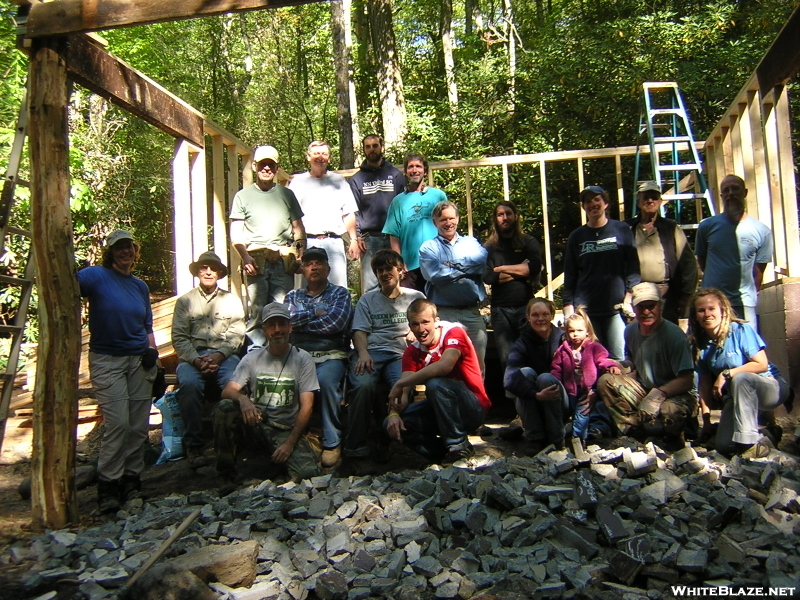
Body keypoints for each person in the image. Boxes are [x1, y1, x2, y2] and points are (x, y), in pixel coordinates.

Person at [78, 230, 157, 513]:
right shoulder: (95, 276)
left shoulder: (139, 286)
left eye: (129, 247)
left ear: (135, 251)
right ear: (110, 252)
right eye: (119, 248)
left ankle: (131, 480)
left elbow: (147, 325)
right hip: (107, 360)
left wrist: (153, 353)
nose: (125, 252)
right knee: (118, 424)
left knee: (138, 426)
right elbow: (66, 283)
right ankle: (108, 484)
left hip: (138, 361)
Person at [215, 303, 320, 484]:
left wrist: (290, 443)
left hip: (285, 429)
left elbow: (307, 406)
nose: (277, 330)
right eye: (271, 325)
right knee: (225, 408)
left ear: (290, 327)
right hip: (256, 424)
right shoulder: (252, 358)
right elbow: (228, 390)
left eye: (281, 324)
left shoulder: (303, 359)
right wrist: (243, 400)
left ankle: (270, 468)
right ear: (264, 330)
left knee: (307, 473)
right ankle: (226, 476)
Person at [344, 250, 424, 468]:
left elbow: (428, 323)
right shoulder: (367, 300)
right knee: (362, 386)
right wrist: (363, 353)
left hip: (403, 353)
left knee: (401, 388)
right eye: (379, 270)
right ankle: (355, 448)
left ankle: (385, 437)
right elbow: (359, 331)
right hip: (373, 352)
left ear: (400, 271)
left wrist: (414, 331)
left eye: (389, 268)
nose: (384, 273)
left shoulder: (415, 298)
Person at [386, 298, 490, 464]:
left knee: (435, 383)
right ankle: (446, 456)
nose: (421, 329)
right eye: (415, 324)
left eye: (425, 322)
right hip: (441, 410)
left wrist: (400, 383)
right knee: (394, 423)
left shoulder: (454, 332)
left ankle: (458, 445)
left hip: (472, 407)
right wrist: (393, 414)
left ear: (436, 321)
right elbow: (403, 392)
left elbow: (445, 366)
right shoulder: (412, 352)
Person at [688, 288, 790, 457]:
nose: (707, 314)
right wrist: (706, 420)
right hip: (736, 397)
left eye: (712, 308)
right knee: (724, 446)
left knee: (741, 378)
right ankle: (769, 434)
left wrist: (726, 373)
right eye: (701, 310)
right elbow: (704, 384)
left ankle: (748, 444)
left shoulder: (739, 330)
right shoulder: (700, 344)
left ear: (723, 310)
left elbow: (762, 364)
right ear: (695, 315)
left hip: (769, 387)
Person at [596, 282, 697, 448]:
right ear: (634, 309)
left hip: (675, 393)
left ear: (660, 306)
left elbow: (687, 380)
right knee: (606, 381)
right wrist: (621, 366)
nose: (646, 312)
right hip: (644, 388)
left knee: (670, 409)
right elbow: (632, 360)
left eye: (651, 306)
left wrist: (660, 393)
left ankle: (674, 439)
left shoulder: (674, 335)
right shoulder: (630, 331)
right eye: (641, 307)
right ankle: (634, 432)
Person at [171, 251, 245, 468]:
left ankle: (233, 440)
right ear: (197, 272)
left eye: (213, 268)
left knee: (234, 383)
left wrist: (219, 355)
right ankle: (194, 444)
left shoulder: (231, 300)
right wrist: (196, 360)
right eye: (204, 267)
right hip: (193, 358)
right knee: (189, 384)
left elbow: (238, 333)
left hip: (224, 356)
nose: (208, 271)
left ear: (220, 273)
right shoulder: (185, 301)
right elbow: (179, 337)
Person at [284, 247, 353, 470]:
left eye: (319, 263)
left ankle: (332, 442)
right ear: (303, 270)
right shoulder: (293, 295)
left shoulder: (340, 293)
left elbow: (336, 324)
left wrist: (301, 326)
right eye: (309, 264)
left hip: (331, 355)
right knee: (284, 383)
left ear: (328, 268)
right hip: (297, 356)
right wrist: (315, 313)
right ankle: (290, 438)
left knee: (326, 382)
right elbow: (287, 323)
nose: (314, 267)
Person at [229, 145, 305, 346]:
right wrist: (245, 257)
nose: (266, 169)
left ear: (276, 167)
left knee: (282, 309)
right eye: (262, 164)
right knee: (257, 310)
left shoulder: (286, 195)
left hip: (282, 259)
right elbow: (236, 233)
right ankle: (255, 352)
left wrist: (299, 255)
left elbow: (298, 228)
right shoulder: (242, 196)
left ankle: (282, 352)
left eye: (271, 165)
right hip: (256, 261)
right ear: (254, 166)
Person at [563, 185, 641, 360]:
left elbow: (633, 267)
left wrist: (629, 296)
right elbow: (570, 273)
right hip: (586, 311)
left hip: (616, 308)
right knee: (588, 360)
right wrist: (568, 306)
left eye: (596, 200)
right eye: (588, 201)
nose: (593, 204)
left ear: (605, 203)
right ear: (583, 207)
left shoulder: (621, 229)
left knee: (619, 358)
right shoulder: (577, 236)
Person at [419, 201, 488, 375]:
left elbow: (483, 263)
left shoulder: (471, 242)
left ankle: (477, 402)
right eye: (443, 219)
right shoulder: (428, 248)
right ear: (435, 222)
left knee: (477, 367)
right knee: (446, 366)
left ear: (458, 219)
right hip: (444, 314)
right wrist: (467, 268)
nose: (448, 223)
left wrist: (453, 265)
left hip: (472, 313)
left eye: (451, 218)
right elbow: (434, 276)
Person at [695, 174, 773, 323]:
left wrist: (749, 295)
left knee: (746, 345)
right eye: (726, 190)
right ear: (721, 195)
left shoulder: (761, 231)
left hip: (744, 304)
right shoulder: (707, 226)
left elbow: (758, 272)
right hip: (712, 303)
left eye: (735, 189)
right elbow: (703, 262)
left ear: (745, 192)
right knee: (710, 345)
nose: (730, 193)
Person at [288, 140, 359, 289]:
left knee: (338, 288)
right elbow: (290, 217)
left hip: (333, 242)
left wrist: (353, 240)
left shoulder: (338, 181)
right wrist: (296, 247)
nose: (320, 157)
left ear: (329, 158)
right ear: (308, 157)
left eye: (324, 154)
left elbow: (348, 213)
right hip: (306, 243)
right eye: (316, 154)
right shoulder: (297, 182)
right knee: (305, 289)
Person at [483, 200, 543, 373]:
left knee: (530, 357)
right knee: (508, 361)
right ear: (495, 219)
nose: (505, 218)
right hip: (500, 310)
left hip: (526, 307)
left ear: (516, 216)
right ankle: (514, 399)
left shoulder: (527, 242)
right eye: (500, 214)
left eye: (508, 213)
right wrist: (521, 269)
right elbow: (488, 276)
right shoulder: (489, 248)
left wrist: (500, 269)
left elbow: (533, 268)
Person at [625, 181, 698, 323]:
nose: (650, 201)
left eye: (654, 197)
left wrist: (686, 295)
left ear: (660, 201)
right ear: (638, 202)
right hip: (635, 293)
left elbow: (688, 263)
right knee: (638, 336)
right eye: (645, 197)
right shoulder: (628, 228)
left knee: (667, 336)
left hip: (666, 294)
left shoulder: (670, 228)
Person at [504, 298, 568, 454]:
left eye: (545, 314)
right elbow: (509, 378)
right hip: (534, 401)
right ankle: (535, 439)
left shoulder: (563, 338)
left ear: (552, 315)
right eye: (535, 315)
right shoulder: (523, 342)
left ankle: (557, 439)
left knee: (546, 378)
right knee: (524, 373)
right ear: (528, 317)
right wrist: (536, 395)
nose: (540, 319)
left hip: (560, 400)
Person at [349, 134, 407, 294]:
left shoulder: (395, 175)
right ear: (364, 150)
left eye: (375, 146)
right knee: (371, 285)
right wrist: (358, 235)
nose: (372, 149)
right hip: (370, 238)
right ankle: (373, 318)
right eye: (368, 146)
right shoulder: (357, 179)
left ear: (381, 147)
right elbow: (354, 210)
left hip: (394, 237)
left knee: (398, 280)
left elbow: (404, 206)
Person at [550, 308, 619, 441]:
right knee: (572, 413)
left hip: (587, 389)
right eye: (571, 331)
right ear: (566, 332)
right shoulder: (564, 349)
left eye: (579, 330)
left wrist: (611, 366)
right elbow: (556, 367)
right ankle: (565, 437)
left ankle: (579, 440)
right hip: (570, 389)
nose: (575, 334)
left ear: (587, 331)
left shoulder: (593, 347)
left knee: (582, 414)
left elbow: (602, 359)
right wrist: (555, 381)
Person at [382, 152, 446, 291]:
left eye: (418, 166)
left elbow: (447, 225)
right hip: (409, 265)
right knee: (412, 307)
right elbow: (394, 235)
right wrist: (399, 262)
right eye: (410, 167)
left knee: (436, 306)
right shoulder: (398, 201)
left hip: (436, 262)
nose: (414, 170)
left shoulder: (438, 195)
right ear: (405, 172)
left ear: (425, 171)